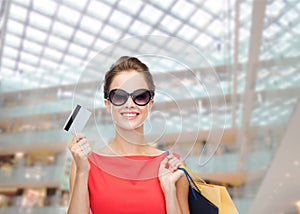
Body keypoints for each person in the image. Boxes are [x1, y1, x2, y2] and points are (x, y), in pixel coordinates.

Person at [67, 56, 189, 214]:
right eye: (119, 96)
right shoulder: (84, 164)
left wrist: (169, 191)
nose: (130, 104)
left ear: (150, 103)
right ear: (108, 104)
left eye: (140, 96)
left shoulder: (172, 164)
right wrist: (83, 172)